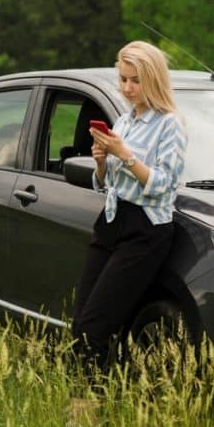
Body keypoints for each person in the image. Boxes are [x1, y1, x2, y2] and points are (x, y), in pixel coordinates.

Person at [70, 40, 188, 370]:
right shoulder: (123, 122)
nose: (127, 88)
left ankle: (84, 414)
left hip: (145, 229)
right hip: (111, 219)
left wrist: (124, 155)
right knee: (80, 325)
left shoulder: (170, 124)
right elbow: (106, 185)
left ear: (153, 80)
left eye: (135, 80)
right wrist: (102, 163)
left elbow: (164, 186)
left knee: (95, 328)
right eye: (123, 79)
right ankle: (86, 410)